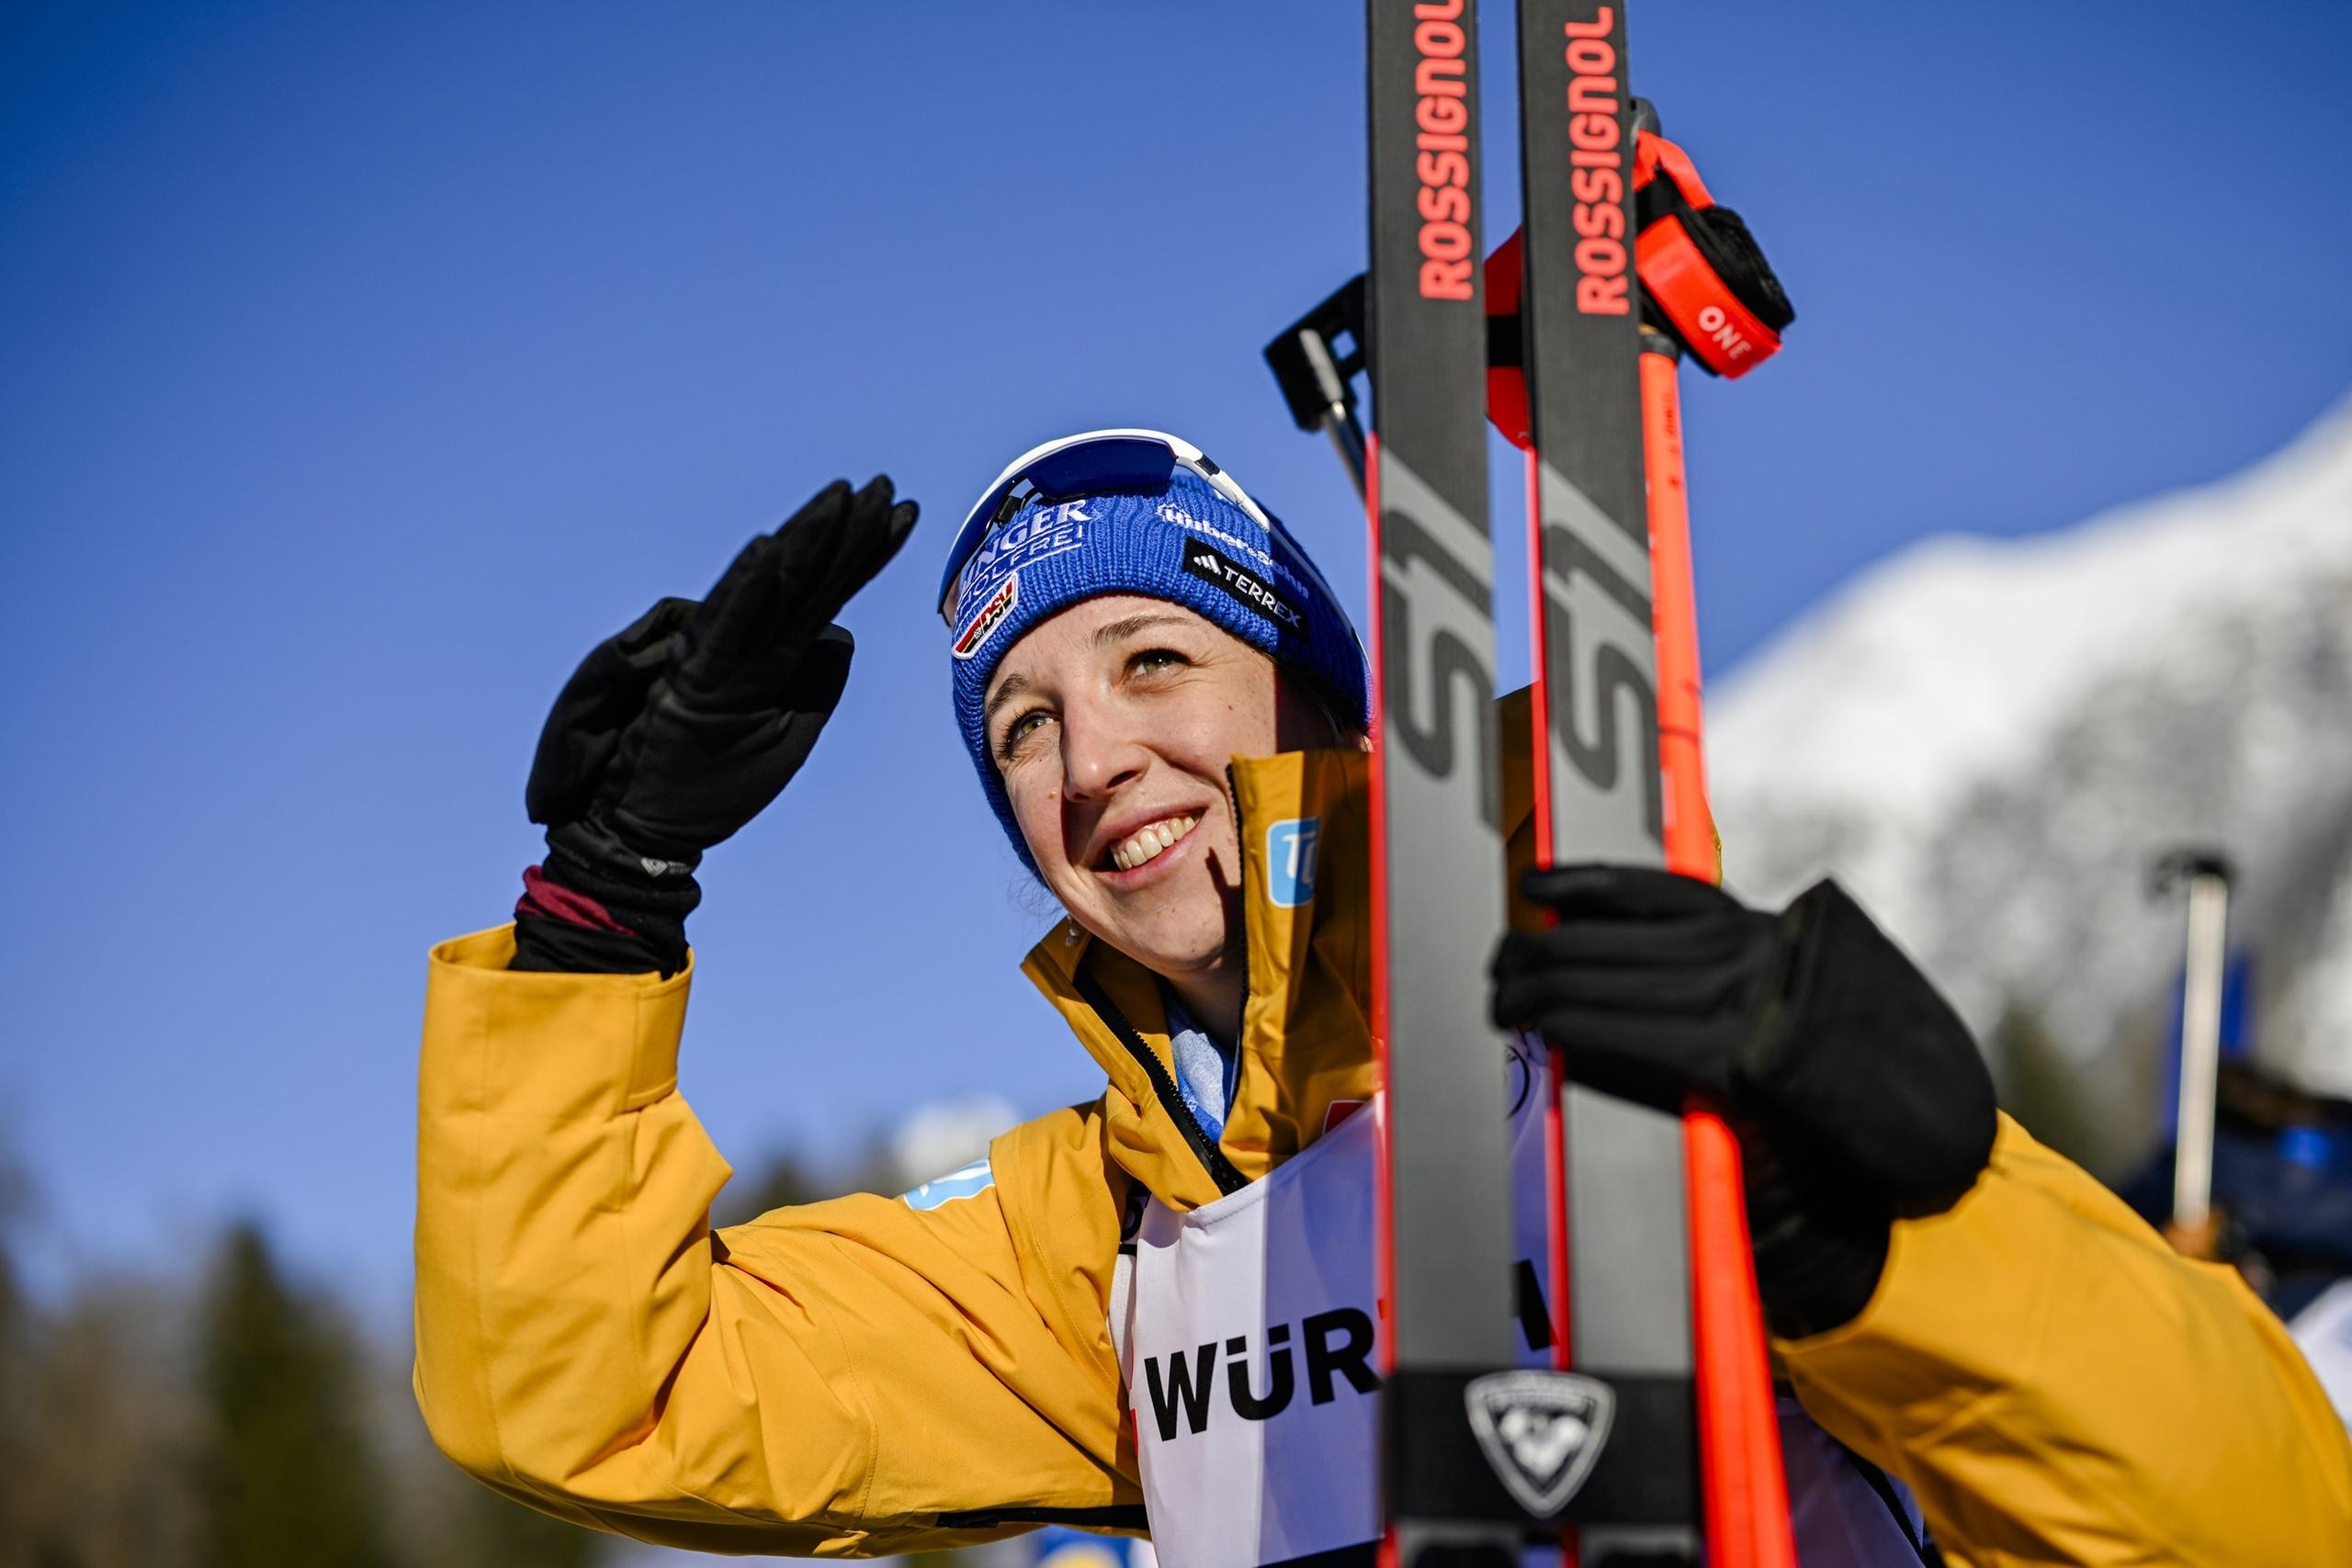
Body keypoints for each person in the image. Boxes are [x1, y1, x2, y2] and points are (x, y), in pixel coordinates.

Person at [414, 433, 2352, 1565]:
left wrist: (1884, 1242)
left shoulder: (1649, 1060)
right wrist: (601, 911)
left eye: (1154, 656)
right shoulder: (1090, 1236)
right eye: (1021, 724)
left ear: (1331, 707)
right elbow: (597, 1390)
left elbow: (2260, 1518)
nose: (1091, 757)